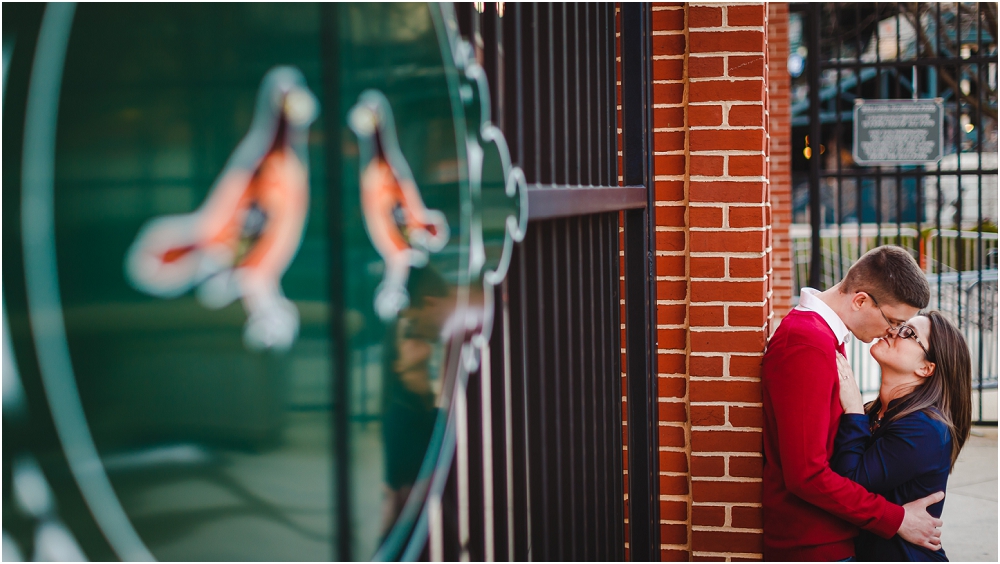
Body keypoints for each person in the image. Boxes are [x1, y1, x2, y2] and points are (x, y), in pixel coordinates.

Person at [762, 246, 944, 561]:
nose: (892, 332)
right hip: (813, 547)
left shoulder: (824, 337)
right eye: (893, 320)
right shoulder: (807, 344)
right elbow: (806, 474)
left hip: (830, 539)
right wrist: (896, 519)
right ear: (860, 300)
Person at [832, 311, 972, 561]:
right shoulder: (877, 412)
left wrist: (852, 410)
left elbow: (848, 487)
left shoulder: (924, 428)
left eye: (909, 333)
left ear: (925, 368)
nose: (893, 330)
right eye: (900, 325)